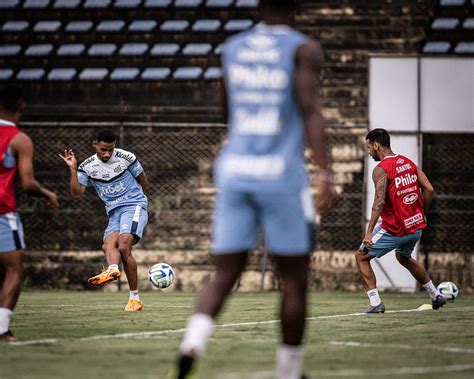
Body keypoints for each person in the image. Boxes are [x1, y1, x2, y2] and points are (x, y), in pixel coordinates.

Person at [171, 0, 335, 378]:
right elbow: (311, 107)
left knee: (224, 272)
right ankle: (289, 371)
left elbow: (225, 110)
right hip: (280, 175)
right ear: (294, 7)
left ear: (258, 6)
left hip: (235, 171)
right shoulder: (302, 48)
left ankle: (191, 344)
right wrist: (324, 174)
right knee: (293, 278)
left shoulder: (232, 48)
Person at [356, 128, 446, 314]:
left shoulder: (381, 169)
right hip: (415, 227)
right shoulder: (407, 162)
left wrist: (369, 232)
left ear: (376, 145)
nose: (368, 151)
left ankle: (375, 303)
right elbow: (429, 189)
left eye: (368, 147)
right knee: (403, 257)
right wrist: (423, 214)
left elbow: (379, 201)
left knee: (361, 257)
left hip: (395, 228)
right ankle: (434, 294)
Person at [59, 130, 148, 311]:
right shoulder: (87, 166)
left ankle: (134, 298)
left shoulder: (126, 157)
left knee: (123, 246)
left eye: (110, 149)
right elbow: (77, 193)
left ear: (115, 145)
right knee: (108, 245)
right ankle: (113, 269)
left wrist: (139, 200)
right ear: (94, 145)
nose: (107, 153)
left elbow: (142, 179)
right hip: (114, 213)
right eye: (103, 150)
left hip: (134, 206)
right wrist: (73, 169)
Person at [0, 85, 59, 341]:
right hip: (3, 212)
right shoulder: (19, 139)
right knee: (14, 270)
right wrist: (47, 193)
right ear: (21, 106)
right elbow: (26, 182)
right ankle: (1, 328)